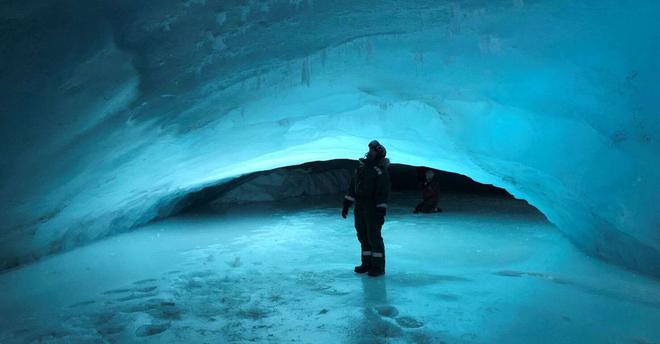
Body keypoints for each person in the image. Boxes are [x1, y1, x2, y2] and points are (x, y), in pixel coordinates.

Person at [341, 140, 390, 277]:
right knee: (362, 235)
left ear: (378, 154)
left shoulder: (379, 171)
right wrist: (347, 204)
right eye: (370, 149)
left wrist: (381, 209)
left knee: (374, 236)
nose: (370, 152)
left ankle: (378, 266)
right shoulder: (361, 168)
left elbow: (382, 191)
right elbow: (353, 187)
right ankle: (367, 264)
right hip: (360, 206)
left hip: (372, 207)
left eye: (373, 150)